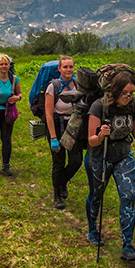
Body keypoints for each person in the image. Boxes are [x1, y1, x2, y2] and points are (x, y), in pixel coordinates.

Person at [86, 71, 135, 261]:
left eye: (132, 93)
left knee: (128, 195)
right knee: (97, 194)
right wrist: (100, 135)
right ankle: (92, 231)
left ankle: (128, 244)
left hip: (124, 154)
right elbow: (91, 140)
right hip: (102, 156)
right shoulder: (98, 106)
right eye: (125, 93)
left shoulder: (133, 105)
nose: (128, 97)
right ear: (115, 91)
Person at [45, 55, 83, 209]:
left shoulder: (77, 84)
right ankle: (57, 196)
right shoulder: (52, 87)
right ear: (59, 69)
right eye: (65, 67)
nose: (68, 70)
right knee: (58, 162)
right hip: (56, 125)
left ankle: (62, 183)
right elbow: (48, 114)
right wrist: (53, 137)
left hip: (73, 126)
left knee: (76, 161)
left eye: (71, 67)